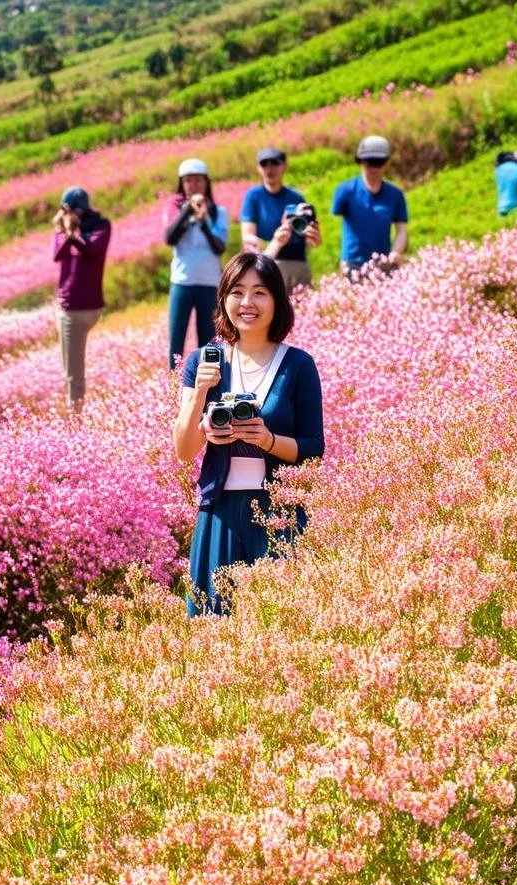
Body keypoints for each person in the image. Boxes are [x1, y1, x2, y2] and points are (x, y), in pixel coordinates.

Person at [173, 252, 325, 616]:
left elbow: (314, 450)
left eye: (260, 292)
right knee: (213, 625)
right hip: (218, 512)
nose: (247, 303)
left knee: (280, 623)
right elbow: (183, 449)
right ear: (224, 298)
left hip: (278, 515)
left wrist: (267, 440)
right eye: (237, 292)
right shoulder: (203, 361)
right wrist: (199, 400)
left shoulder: (298, 365)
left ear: (276, 300)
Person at [164, 158, 230, 369]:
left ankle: (208, 388)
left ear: (206, 183)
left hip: (209, 283)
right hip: (182, 282)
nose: (193, 185)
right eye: (188, 181)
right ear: (182, 184)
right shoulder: (175, 210)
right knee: (176, 342)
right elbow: (169, 238)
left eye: (198, 180)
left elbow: (220, 246)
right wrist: (186, 212)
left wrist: (203, 223)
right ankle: (174, 386)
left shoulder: (219, 213)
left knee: (209, 342)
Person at [52, 186, 111, 413]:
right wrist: (65, 231)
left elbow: (91, 248)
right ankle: (75, 415)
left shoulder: (101, 226)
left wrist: (72, 232)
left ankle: (75, 423)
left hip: (81, 309)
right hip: (68, 306)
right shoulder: (63, 229)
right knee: (71, 368)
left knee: (72, 372)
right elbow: (57, 255)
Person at [240, 146, 321, 293]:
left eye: (275, 163)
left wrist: (314, 236)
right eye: (264, 164)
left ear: (284, 166)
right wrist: (274, 241)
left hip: (299, 263)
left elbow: (310, 238)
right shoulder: (254, 196)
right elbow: (247, 235)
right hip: (269, 261)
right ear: (258, 168)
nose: (270, 169)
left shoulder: (296, 197)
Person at [330, 135, 408, 278]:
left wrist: (396, 252)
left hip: (384, 262)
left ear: (387, 163)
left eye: (379, 162)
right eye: (369, 162)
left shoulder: (395, 194)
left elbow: (401, 229)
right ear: (360, 161)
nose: (374, 168)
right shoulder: (345, 191)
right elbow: (331, 224)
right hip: (353, 263)